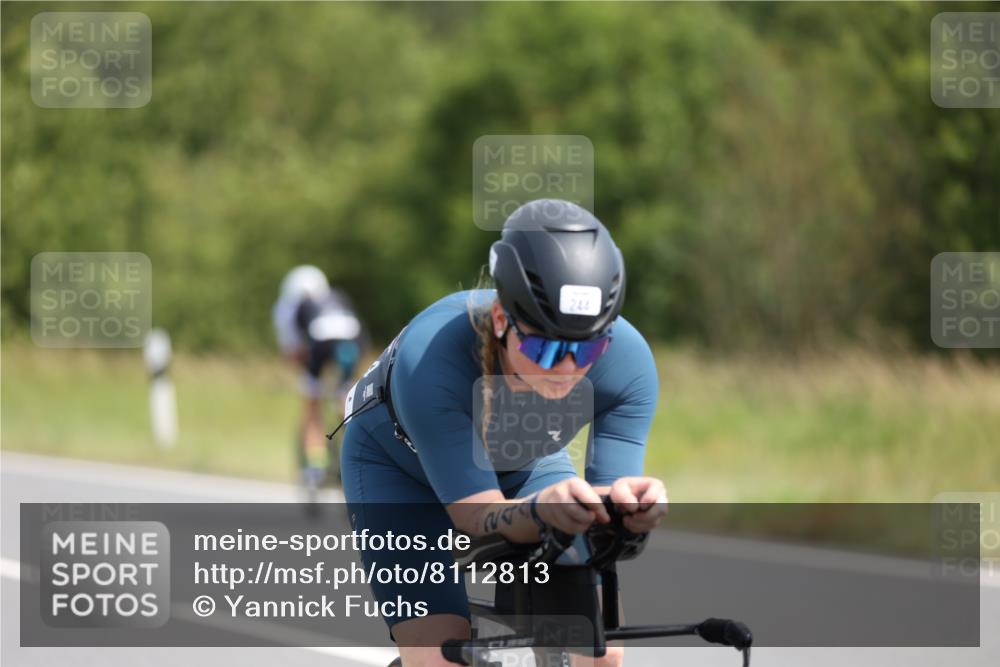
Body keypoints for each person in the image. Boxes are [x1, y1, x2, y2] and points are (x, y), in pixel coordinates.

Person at [339, 200, 667, 667]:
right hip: (398, 471)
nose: (569, 369)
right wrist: (544, 510)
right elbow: (475, 514)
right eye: (544, 348)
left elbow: (601, 513)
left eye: (589, 347)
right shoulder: (432, 359)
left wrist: (629, 509)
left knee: (600, 654)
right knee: (440, 656)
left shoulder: (628, 364)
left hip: (524, 465)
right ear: (500, 321)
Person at [272, 265, 363, 486]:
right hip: (353, 341)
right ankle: (359, 449)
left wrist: (305, 371)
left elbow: (293, 350)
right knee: (346, 400)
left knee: (312, 407)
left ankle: (315, 467)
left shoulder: (291, 305)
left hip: (320, 346)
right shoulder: (338, 296)